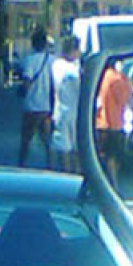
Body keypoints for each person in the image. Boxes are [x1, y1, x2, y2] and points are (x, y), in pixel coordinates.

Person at [94, 59, 133, 189]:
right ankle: (113, 185)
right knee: (114, 157)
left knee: (103, 156)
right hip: (114, 123)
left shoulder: (104, 77)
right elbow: (125, 101)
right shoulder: (119, 80)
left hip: (100, 123)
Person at [18, 28, 55, 166]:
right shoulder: (52, 60)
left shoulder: (29, 60)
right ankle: (50, 165)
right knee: (47, 140)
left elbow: (27, 80)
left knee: (26, 138)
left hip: (31, 105)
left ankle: (21, 165)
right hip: (46, 106)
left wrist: (22, 91)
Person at [50, 35, 81, 173]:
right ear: (73, 50)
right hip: (73, 111)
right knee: (72, 148)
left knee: (63, 147)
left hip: (60, 111)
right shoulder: (72, 69)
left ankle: (64, 173)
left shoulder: (56, 65)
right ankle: (73, 174)